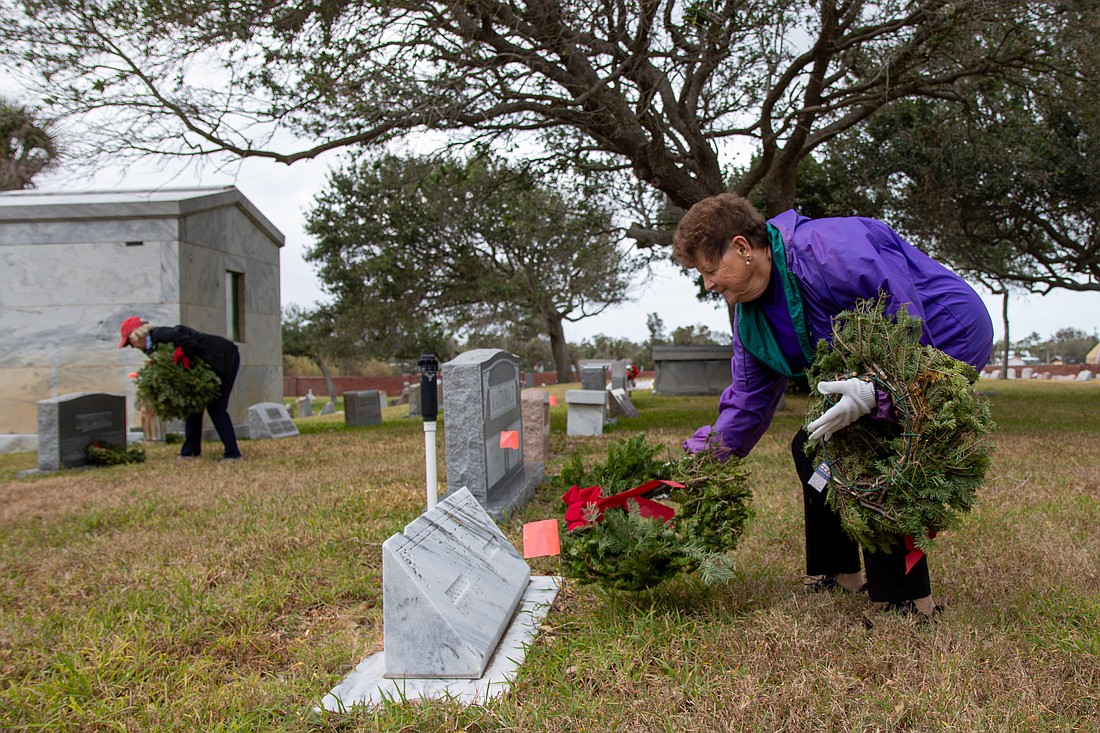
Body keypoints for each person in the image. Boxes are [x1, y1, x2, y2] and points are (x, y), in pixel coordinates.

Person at [673, 194, 993, 619]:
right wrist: (694, 464)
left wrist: (879, 391)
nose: (709, 285)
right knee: (809, 444)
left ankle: (910, 601)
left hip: (943, 336)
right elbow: (747, 405)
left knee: (871, 445)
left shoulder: (828, 250)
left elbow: (905, 317)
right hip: (868, 369)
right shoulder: (748, 317)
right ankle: (841, 572)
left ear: (742, 248)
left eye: (711, 271)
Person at [119, 317, 243, 461]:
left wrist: (181, 356)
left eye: (130, 342)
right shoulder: (150, 346)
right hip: (208, 365)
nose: (131, 347)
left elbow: (189, 341)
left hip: (222, 357)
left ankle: (232, 454)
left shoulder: (160, 335)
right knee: (193, 408)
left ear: (138, 335)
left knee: (216, 408)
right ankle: (190, 451)